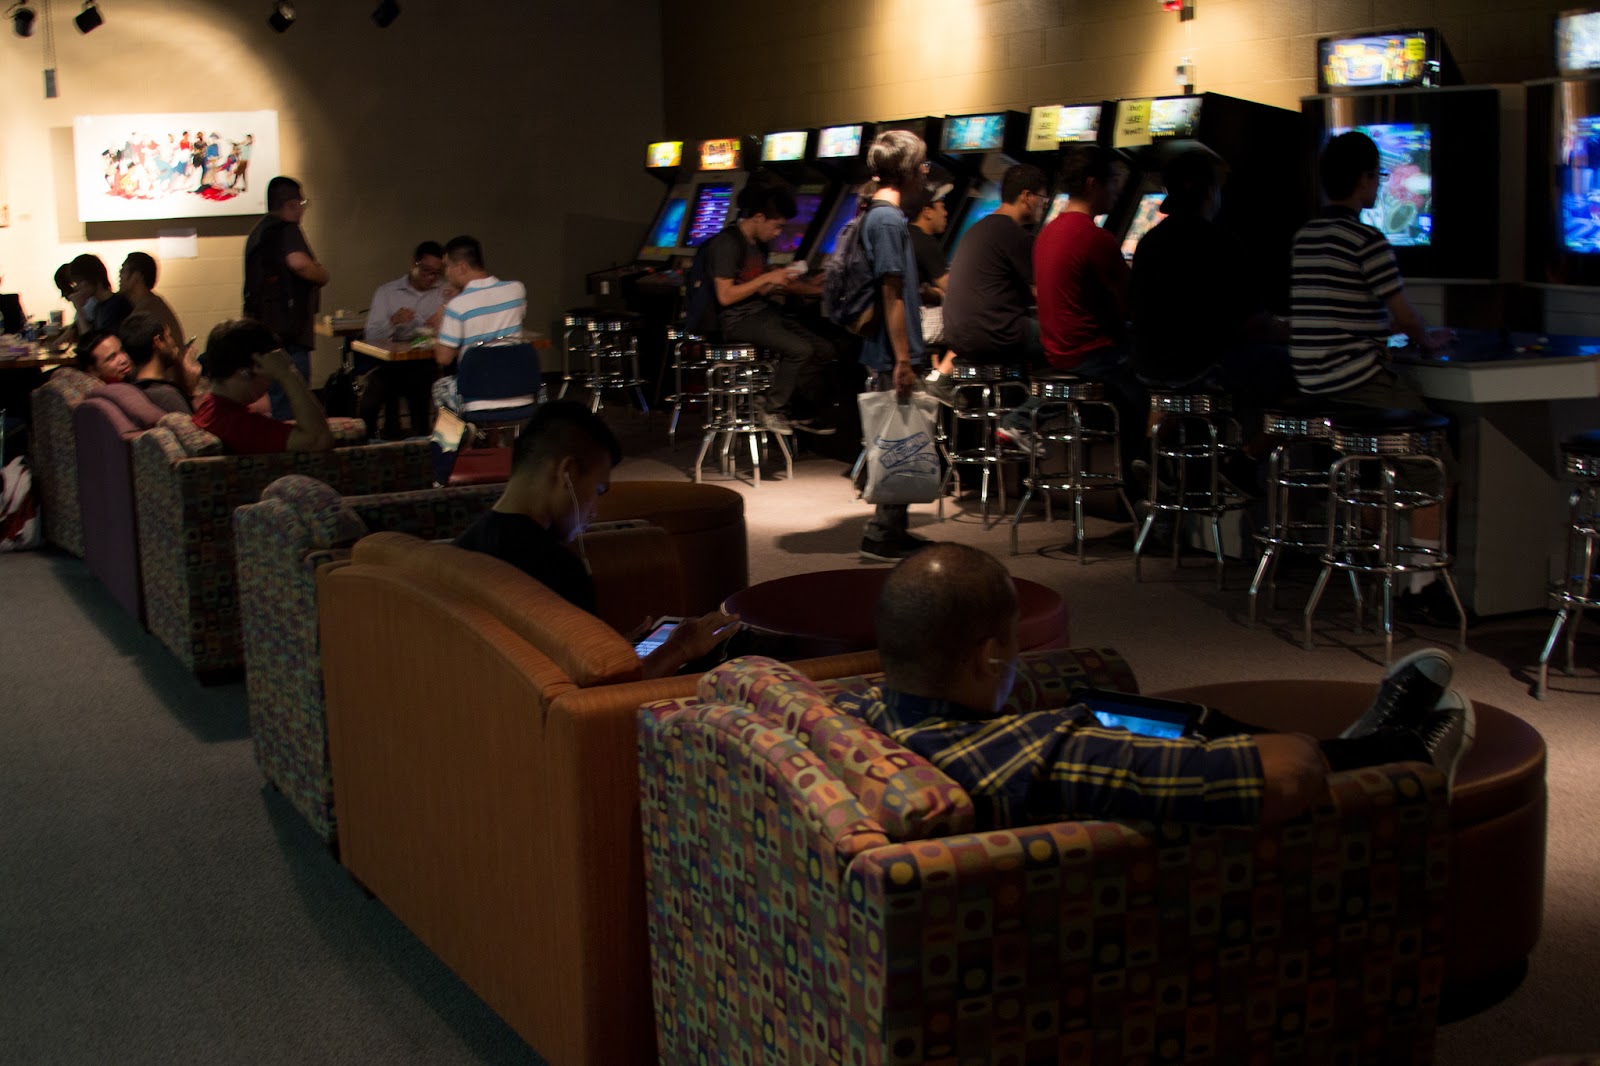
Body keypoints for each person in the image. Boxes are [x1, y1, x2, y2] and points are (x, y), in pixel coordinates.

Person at [845, 542, 1474, 832]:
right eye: (1013, 645)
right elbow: (1286, 775)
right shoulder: (1049, 757)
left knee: (1196, 721)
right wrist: (1298, 748)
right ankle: (1407, 756)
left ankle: (1368, 740)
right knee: (1258, 745)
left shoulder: (858, 712)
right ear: (987, 657)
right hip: (1195, 876)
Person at [455, 401, 740, 680]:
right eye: (598, 490)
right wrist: (681, 647)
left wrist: (609, 648)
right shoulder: (556, 569)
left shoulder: (461, 549)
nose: (593, 510)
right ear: (567, 473)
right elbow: (603, 692)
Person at [1290, 131, 1449, 403]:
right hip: (1356, 383)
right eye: (1379, 175)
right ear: (1364, 179)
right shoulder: (1367, 240)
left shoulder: (1304, 237)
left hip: (1309, 384)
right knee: (1434, 425)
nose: (1379, 184)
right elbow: (1407, 317)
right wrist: (1427, 339)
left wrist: (1386, 328)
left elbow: (1332, 317)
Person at [1032, 145, 1147, 472]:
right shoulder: (1094, 237)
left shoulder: (1047, 232)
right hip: (1091, 356)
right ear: (1093, 183)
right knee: (1154, 383)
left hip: (1057, 352)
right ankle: (1143, 470)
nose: (1118, 190)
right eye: (1114, 182)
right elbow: (1132, 300)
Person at [703, 172, 838, 435]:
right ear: (758, 217)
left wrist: (782, 279)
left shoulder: (758, 245)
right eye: (776, 226)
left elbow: (759, 289)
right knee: (799, 349)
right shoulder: (727, 243)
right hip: (737, 320)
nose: (778, 233)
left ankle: (795, 409)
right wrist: (766, 278)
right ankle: (771, 407)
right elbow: (725, 296)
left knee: (824, 349)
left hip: (761, 312)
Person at [855, 129, 932, 563]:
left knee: (900, 435)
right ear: (908, 172)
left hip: (890, 347)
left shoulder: (880, 213)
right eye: (923, 166)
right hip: (891, 349)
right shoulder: (886, 220)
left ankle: (893, 529)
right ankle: (882, 533)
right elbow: (891, 294)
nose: (926, 173)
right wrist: (904, 358)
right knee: (898, 439)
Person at [942, 163, 1048, 366]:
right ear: (1027, 196)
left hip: (957, 337)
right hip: (995, 334)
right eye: (1043, 198)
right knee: (1069, 339)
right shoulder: (1014, 234)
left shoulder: (976, 229)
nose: (1044, 206)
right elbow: (1045, 291)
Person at [243, 176, 329, 420]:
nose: (303, 209)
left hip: (263, 332)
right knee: (294, 402)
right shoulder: (287, 230)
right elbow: (298, 263)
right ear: (291, 204)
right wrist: (322, 275)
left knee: (275, 399)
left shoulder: (258, 233)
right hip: (291, 334)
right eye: (302, 203)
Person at [192, 319, 334, 455]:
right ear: (245, 372)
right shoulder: (238, 425)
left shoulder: (210, 408)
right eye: (270, 371)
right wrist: (287, 373)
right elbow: (320, 439)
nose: (271, 381)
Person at [431, 235, 527, 416]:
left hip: (476, 396)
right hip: (520, 389)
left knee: (440, 387)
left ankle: (461, 434)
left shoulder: (456, 306)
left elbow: (443, 358)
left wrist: (441, 319)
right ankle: (493, 432)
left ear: (461, 267)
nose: (446, 274)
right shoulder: (517, 290)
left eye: (447, 267)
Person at [362, 240, 448, 437]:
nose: (431, 277)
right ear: (414, 263)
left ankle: (421, 440)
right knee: (372, 399)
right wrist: (393, 321)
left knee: (423, 387)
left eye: (437, 273)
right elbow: (372, 335)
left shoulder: (444, 291)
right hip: (390, 363)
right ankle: (369, 442)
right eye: (426, 271)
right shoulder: (388, 292)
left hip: (425, 361)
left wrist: (444, 318)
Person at [117, 311, 196, 414]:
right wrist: (190, 390)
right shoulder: (168, 398)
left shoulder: (131, 393)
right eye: (169, 336)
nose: (173, 343)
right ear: (158, 342)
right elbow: (191, 424)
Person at [117, 252, 185, 353]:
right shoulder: (154, 304)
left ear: (136, 276)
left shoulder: (146, 313)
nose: (119, 275)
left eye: (123, 270)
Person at [69, 254, 133, 334]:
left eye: (79, 282)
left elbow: (90, 340)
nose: (77, 288)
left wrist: (79, 309)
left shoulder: (117, 306)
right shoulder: (98, 308)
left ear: (91, 278)